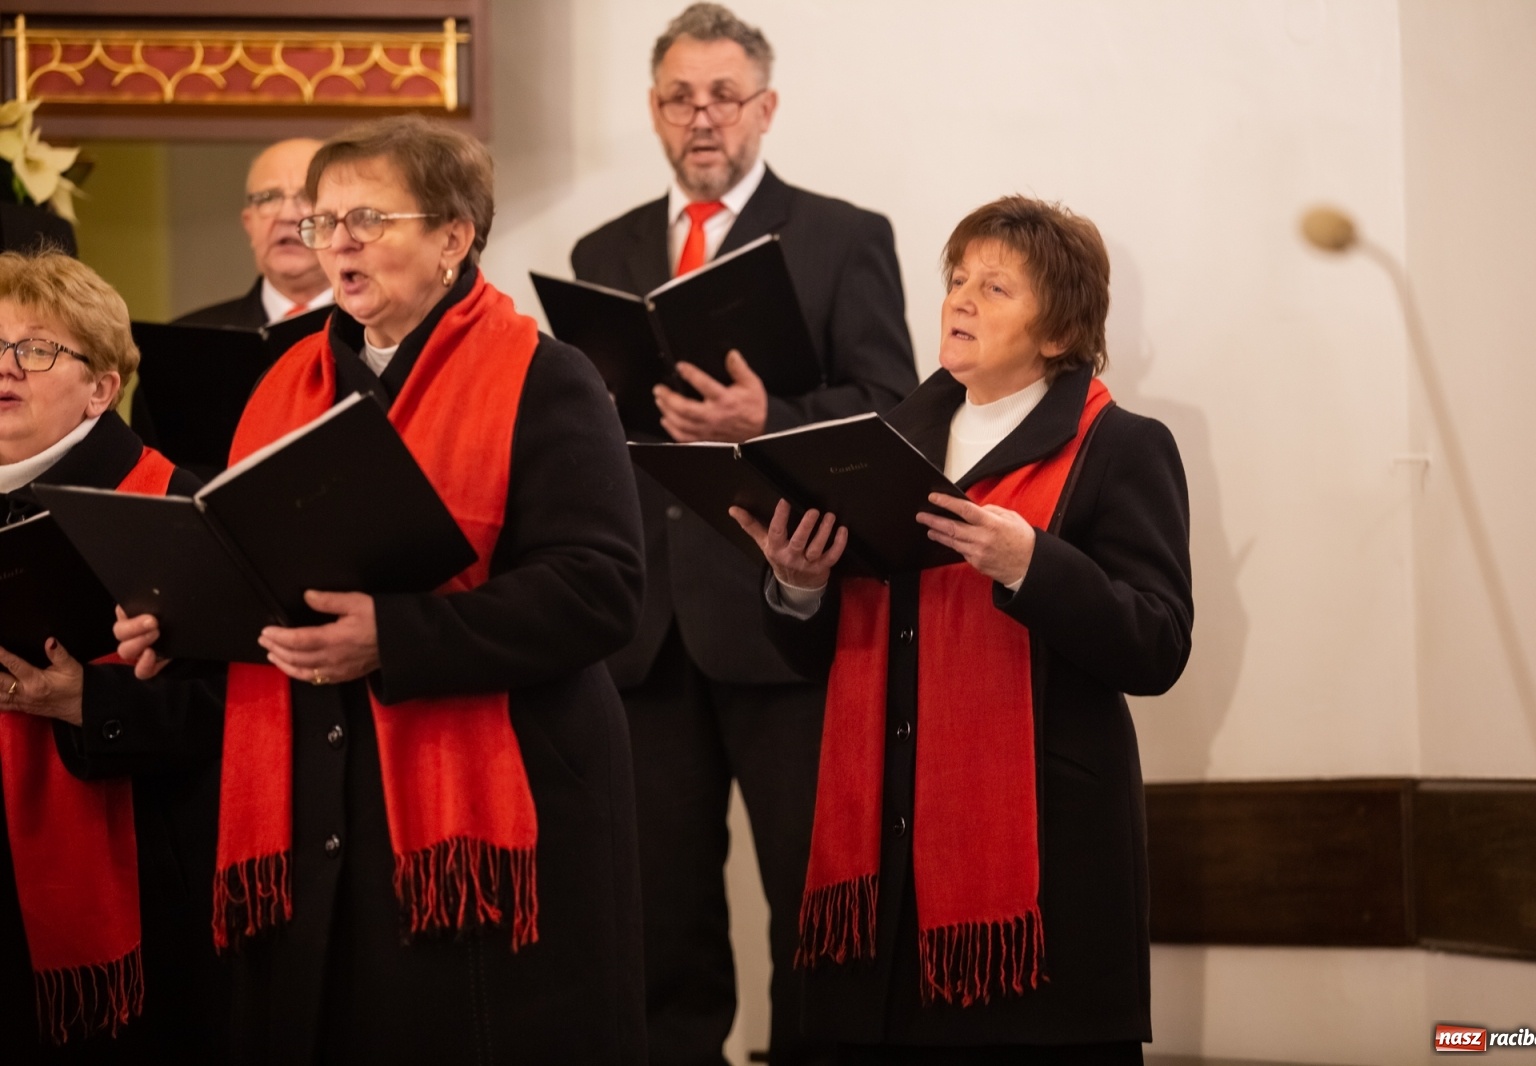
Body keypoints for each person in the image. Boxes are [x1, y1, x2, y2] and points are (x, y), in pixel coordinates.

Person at [117, 114, 649, 1064]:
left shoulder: (545, 376)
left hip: (496, 808)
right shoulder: (289, 381)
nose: (338, 242)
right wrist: (185, 624)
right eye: (325, 222)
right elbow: (263, 575)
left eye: (368, 217)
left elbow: (599, 590)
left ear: (455, 235)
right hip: (317, 792)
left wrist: (394, 637)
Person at [733, 197, 1193, 1064]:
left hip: (1038, 886)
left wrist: (1032, 565)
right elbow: (816, 656)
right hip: (879, 877)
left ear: (1060, 331)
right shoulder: (872, 447)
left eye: (995, 286)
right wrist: (797, 586)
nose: (961, 301)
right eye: (955, 280)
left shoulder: (1121, 447)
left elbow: (1159, 642)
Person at [571, 6, 917, 1063]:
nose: (702, 115)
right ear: (653, 110)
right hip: (647, 630)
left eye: (724, 94)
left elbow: (894, 413)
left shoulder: (842, 234)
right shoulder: (605, 247)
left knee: (813, 902)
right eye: (681, 95)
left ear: (765, 108)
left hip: (786, 614)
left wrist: (767, 421)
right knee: (658, 910)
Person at [0, 250, 224, 1063]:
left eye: (35, 348)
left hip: (149, 882)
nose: (5, 369)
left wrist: (85, 705)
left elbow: (246, 710)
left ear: (102, 387)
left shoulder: (178, 505)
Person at [175, 138, 332, 328]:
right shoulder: (189, 339)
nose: (287, 215)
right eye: (268, 198)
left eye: (308, 196)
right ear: (249, 224)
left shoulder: (374, 336)